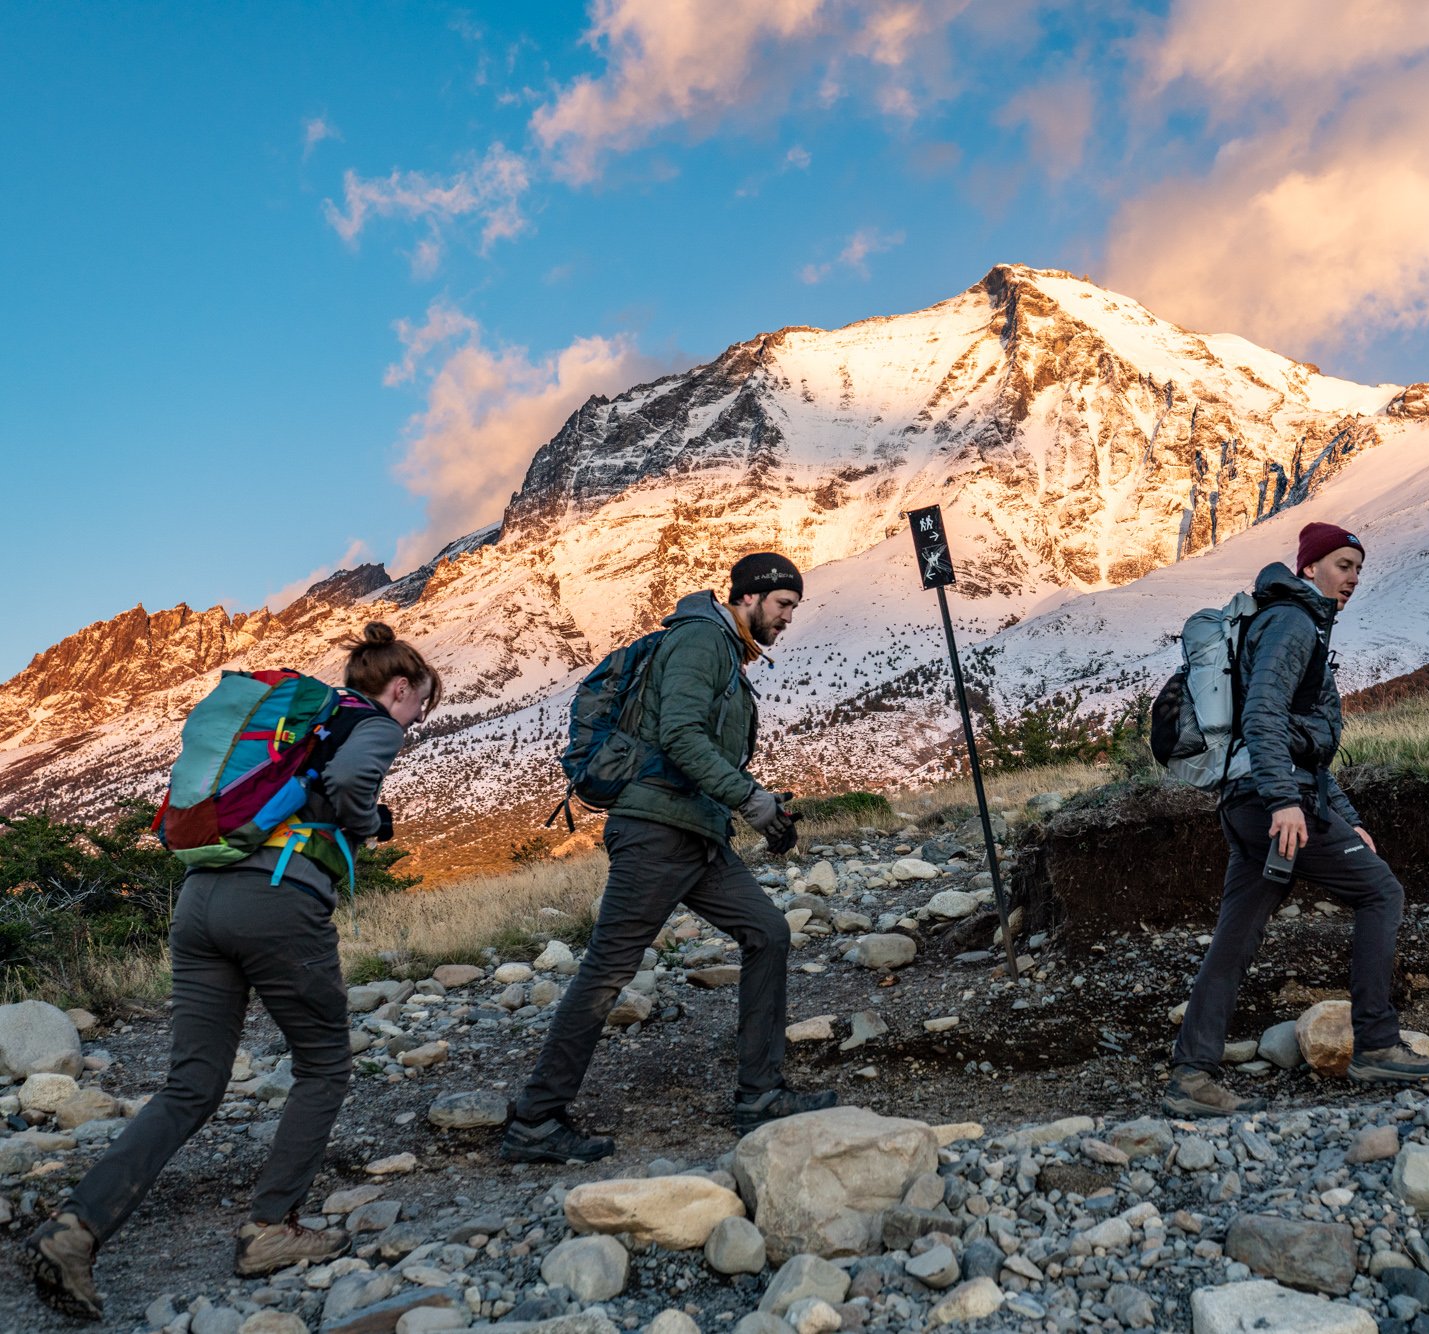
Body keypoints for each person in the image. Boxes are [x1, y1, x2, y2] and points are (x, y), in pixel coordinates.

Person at [27, 622, 441, 1320]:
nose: (414, 722)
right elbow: (346, 783)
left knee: (190, 1087)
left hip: (200, 903)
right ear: (398, 688)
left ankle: (74, 1230)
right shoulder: (371, 723)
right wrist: (364, 822)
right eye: (418, 708)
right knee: (324, 1065)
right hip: (277, 900)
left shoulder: (299, 725)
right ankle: (270, 1229)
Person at [501, 552, 836, 1163]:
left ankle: (760, 1094)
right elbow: (681, 738)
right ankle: (535, 1119)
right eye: (784, 605)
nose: (789, 618)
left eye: (793, 607)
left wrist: (762, 809)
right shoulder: (702, 642)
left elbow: (700, 747)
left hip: (696, 834)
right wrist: (749, 800)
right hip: (656, 833)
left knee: (767, 932)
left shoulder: (725, 651)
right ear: (751, 597)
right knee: (606, 972)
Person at [1165, 522, 1429, 1118]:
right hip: (1274, 804)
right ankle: (1376, 1044)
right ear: (1310, 568)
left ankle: (1192, 1075)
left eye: (1358, 569)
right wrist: (1285, 802)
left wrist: (1344, 814)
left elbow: (1306, 747)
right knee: (1381, 893)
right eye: (1343, 565)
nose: (1352, 579)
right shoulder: (1294, 622)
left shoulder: (1289, 621)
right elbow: (1264, 717)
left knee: (1235, 938)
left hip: (1251, 801)